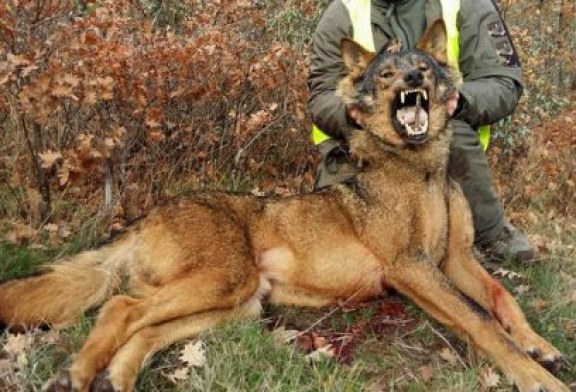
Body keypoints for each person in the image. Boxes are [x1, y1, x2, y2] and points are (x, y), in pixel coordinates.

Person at [307, 0, 536, 263]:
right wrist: (348, 114)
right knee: (335, 249)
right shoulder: (343, 12)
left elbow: (504, 81)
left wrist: (460, 101)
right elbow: (321, 95)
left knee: (453, 134)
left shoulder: (468, 4)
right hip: (360, 143)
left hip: (446, 146)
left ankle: (490, 235)